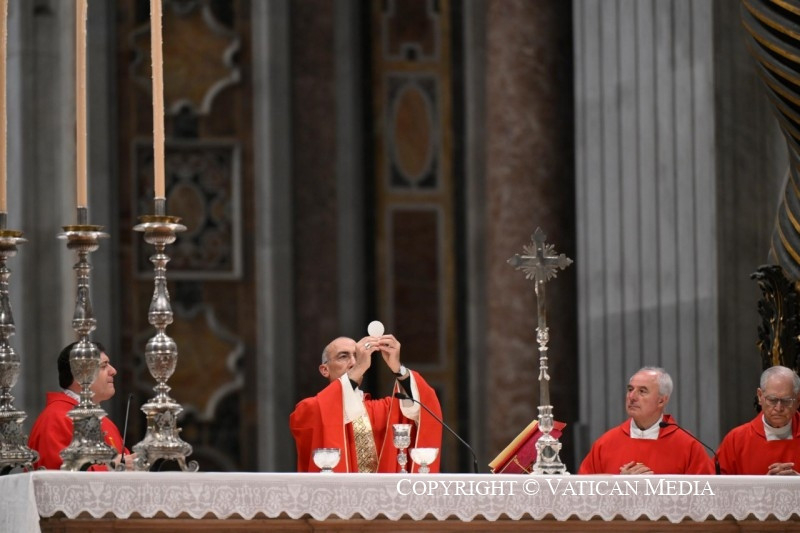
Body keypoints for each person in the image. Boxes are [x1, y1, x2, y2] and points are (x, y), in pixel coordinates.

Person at [290, 334, 443, 472]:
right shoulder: (310, 408)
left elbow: (423, 405)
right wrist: (357, 370)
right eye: (343, 356)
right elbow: (324, 409)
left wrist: (398, 368)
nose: (353, 362)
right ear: (325, 369)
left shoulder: (382, 410)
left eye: (357, 356)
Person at [578, 367, 714, 474]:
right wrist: (619, 484)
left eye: (642, 391)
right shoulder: (605, 444)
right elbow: (583, 490)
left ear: (661, 400)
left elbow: (706, 494)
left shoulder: (688, 446)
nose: (632, 397)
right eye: (630, 389)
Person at [28, 342, 134, 470]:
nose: (113, 371)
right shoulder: (55, 419)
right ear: (80, 376)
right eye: (103, 366)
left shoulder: (106, 423)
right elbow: (59, 476)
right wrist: (111, 466)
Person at [716, 365, 800, 475]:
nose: (779, 408)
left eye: (786, 400)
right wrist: (763, 484)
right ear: (760, 396)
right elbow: (717, 483)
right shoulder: (736, 440)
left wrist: (797, 482)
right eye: (772, 400)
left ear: (798, 400)